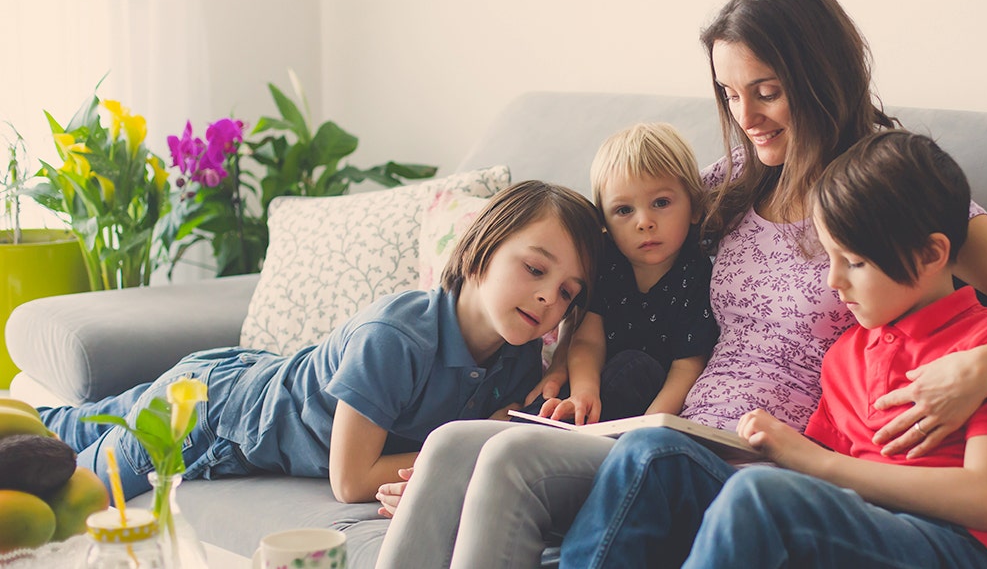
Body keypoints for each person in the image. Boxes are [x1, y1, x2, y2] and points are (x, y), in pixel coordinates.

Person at [373, 0, 987, 567]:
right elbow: (613, 241)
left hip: (753, 453)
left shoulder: (888, 204)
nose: (747, 114)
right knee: (457, 448)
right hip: (677, 427)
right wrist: (573, 358)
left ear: (820, 77)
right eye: (731, 93)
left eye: (767, 90)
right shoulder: (730, 181)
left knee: (537, 463)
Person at [560, 129, 987, 569]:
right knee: (653, 451)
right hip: (857, 525)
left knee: (761, 495)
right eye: (829, 259)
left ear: (932, 254)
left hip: (963, 546)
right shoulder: (846, 356)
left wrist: (814, 463)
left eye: (854, 263)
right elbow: (819, 489)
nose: (834, 282)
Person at [39, 180, 604, 502]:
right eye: (534, 269)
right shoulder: (396, 338)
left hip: (258, 375)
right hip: (206, 415)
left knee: (68, 420)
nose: (547, 299)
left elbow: (579, 355)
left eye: (566, 292)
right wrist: (460, 451)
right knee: (68, 489)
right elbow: (352, 480)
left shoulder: (519, 357)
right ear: (482, 248)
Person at [531, 122, 719, 425]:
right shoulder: (607, 260)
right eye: (624, 210)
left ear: (694, 208)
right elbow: (588, 341)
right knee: (550, 396)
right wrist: (583, 392)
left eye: (661, 203)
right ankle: (521, 428)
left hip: (651, 395)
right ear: (604, 222)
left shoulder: (698, 271)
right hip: (590, 376)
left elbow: (688, 365)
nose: (644, 222)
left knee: (634, 365)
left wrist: (648, 426)